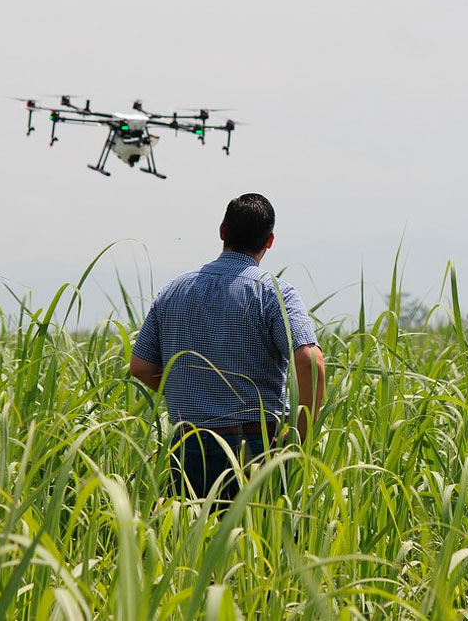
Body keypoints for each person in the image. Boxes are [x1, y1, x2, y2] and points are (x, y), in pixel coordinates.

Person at [129, 193, 325, 503]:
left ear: (222, 231)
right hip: (255, 444)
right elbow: (310, 360)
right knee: (255, 542)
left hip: (189, 442)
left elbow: (140, 367)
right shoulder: (274, 293)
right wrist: (299, 434)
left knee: (189, 542)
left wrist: (189, 391)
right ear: (270, 240)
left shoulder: (173, 291)